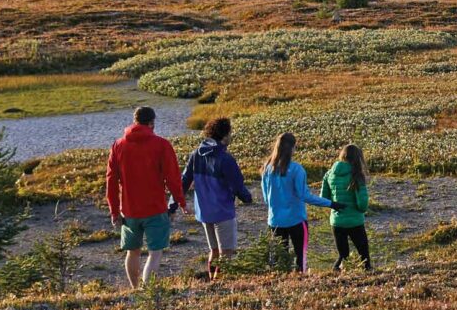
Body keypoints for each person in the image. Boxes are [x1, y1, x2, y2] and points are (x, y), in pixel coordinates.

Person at [105, 105, 186, 290]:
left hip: (129, 210)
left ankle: (134, 289)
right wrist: (181, 202)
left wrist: (114, 212)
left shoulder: (118, 145)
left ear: (135, 121)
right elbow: (173, 178)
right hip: (155, 208)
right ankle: (147, 291)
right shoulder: (162, 145)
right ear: (151, 122)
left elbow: (111, 181)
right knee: (155, 253)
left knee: (132, 252)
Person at [181, 117, 253, 279]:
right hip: (222, 211)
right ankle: (217, 283)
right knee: (226, 251)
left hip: (205, 212)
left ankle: (211, 276)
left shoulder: (196, 154)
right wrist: (247, 198)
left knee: (214, 250)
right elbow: (237, 185)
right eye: (230, 133)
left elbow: (185, 180)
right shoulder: (225, 158)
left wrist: (176, 203)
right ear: (224, 135)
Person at [259, 131, 335, 274]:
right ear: (293, 148)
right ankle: (300, 282)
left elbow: (266, 198)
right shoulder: (296, 169)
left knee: (279, 260)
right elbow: (304, 195)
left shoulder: (267, 169)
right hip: (296, 219)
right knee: (301, 258)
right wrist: (330, 203)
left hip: (275, 220)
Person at [321, 143, 373, 272]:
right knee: (364, 256)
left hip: (337, 221)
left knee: (343, 255)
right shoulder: (356, 175)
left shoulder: (329, 174)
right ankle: (369, 277)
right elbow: (362, 204)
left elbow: (324, 198)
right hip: (355, 221)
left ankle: (335, 277)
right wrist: (362, 210)